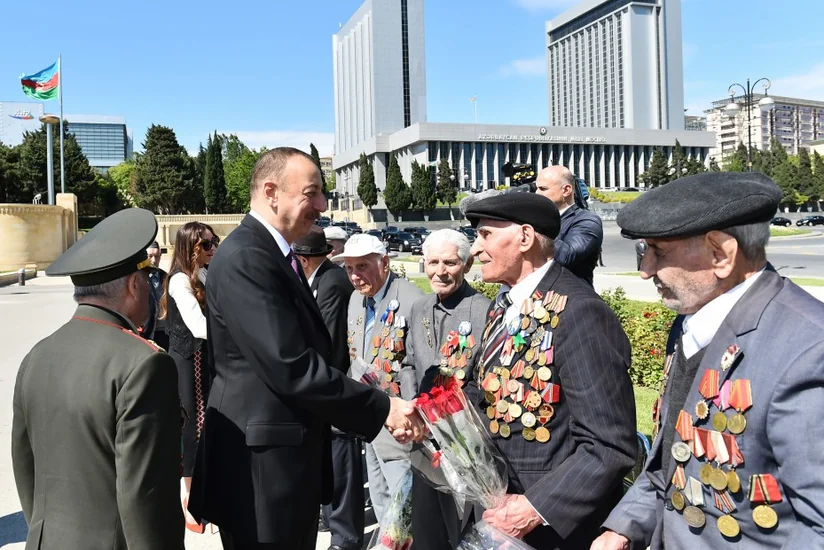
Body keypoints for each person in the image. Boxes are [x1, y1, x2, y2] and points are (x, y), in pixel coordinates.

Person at [188, 147, 423, 550]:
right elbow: (291, 365)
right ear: (271, 191)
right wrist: (382, 407)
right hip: (260, 472)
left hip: (277, 463)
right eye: (311, 193)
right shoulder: (248, 257)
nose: (322, 205)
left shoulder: (270, 253)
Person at [593, 172, 824, 550]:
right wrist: (623, 527)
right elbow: (671, 462)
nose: (645, 270)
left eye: (658, 252)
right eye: (643, 252)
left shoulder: (809, 349)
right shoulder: (692, 322)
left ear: (721, 254)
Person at [463, 192, 636, 549]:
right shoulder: (507, 305)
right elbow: (490, 392)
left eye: (485, 235)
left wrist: (535, 508)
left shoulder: (579, 312)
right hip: (500, 510)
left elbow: (609, 444)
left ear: (524, 238)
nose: (475, 249)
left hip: (552, 527)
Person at [11, 208, 184, 550]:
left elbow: (24, 464)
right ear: (134, 285)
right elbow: (147, 497)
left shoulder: (37, 355)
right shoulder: (145, 365)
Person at [399, 229, 491, 549]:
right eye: (433, 261)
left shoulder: (484, 310)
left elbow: (487, 379)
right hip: (424, 441)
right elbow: (410, 363)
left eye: (450, 262)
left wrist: (449, 409)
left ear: (466, 264)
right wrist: (415, 408)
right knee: (427, 532)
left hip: (467, 442)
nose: (440, 271)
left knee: (464, 531)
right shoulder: (419, 308)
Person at [338, 233, 424, 527]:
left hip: (399, 419)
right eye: (349, 269)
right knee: (380, 494)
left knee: (404, 502)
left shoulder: (411, 299)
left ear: (384, 263)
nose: (354, 276)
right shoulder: (355, 301)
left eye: (361, 267)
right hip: (370, 418)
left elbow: (418, 363)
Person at [293, 226, 364, 550]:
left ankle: (346, 537)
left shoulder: (331, 282)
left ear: (304, 259)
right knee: (332, 464)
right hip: (325, 387)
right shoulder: (319, 278)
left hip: (334, 386)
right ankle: (336, 524)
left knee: (343, 468)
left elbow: (329, 339)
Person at [159, 221, 218, 534]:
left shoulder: (203, 273)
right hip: (189, 357)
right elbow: (199, 326)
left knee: (204, 422)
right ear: (190, 248)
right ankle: (190, 498)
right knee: (194, 425)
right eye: (206, 244)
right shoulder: (180, 280)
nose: (212, 248)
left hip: (202, 356)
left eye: (213, 242)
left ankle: (201, 491)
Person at [535, 166, 603, 287]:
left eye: (543, 189)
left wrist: (538, 222)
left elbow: (566, 256)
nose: (537, 193)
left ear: (566, 190)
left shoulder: (587, 221)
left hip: (570, 299)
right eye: (536, 188)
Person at [141, 241, 170, 350]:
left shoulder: (165, 277)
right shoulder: (139, 278)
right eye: (150, 256)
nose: (154, 260)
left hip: (165, 332)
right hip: (147, 331)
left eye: (157, 256)